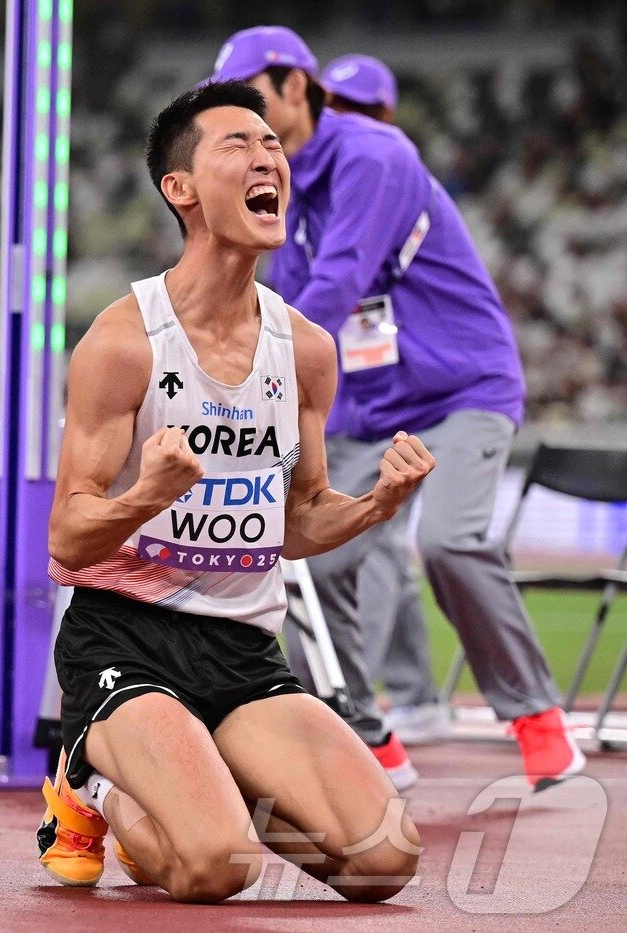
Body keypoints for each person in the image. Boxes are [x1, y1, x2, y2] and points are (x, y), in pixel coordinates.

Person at [36, 80, 429, 902]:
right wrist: (150, 492)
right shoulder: (124, 341)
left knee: (385, 861)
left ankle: (203, 778)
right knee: (219, 867)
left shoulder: (307, 350)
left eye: (273, 146)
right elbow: (67, 540)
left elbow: (298, 520)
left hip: (246, 652)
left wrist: (372, 507)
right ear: (179, 189)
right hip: (127, 643)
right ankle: (90, 779)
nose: (267, 158)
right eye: (238, 145)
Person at [213, 26, 582, 790]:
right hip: (366, 406)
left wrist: (245, 365)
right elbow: (271, 290)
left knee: (448, 541)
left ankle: (538, 716)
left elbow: (340, 281)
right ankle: (367, 737)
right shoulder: (273, 181)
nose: (237, 124)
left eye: (250, 102)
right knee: (310, 557)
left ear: (293, 86)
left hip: (462, 388)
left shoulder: (373, 155)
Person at [321, 52, 451, 745]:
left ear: (387, 117)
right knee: (382, 550)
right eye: (336, 106)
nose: (346, 119)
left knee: (366, 546)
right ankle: (413, 692)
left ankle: (360, 697)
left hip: (385, 398)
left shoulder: (393, 183)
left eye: (360, 109)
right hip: (343, 396)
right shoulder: (330, 189)